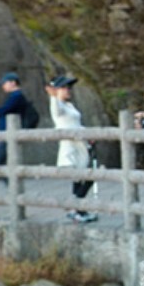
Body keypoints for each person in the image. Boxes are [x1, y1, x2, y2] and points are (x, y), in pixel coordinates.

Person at [45, 75, 97, 223]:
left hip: (81, 145)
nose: (69, 90)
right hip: (70, 147)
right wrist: (53, 97)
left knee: (80, 179)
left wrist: (88, 135)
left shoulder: (70, 105)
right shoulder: (58, 105)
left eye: (69, 88)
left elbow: (76, 124)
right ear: (57, 90)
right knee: (86, 176)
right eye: (65, 88)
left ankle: (77, 209)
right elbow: (55, 111)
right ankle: (76, 208)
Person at [0, 72, 31, 165]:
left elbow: (5, 110)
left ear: (13, 83)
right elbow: (4, 113)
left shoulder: (17, 96)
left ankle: (9, 179)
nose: (3, 86)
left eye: (5, 83)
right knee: (4, 161)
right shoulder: (13, 97)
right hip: (6, 132)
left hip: (9, 132)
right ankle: (8, 179)